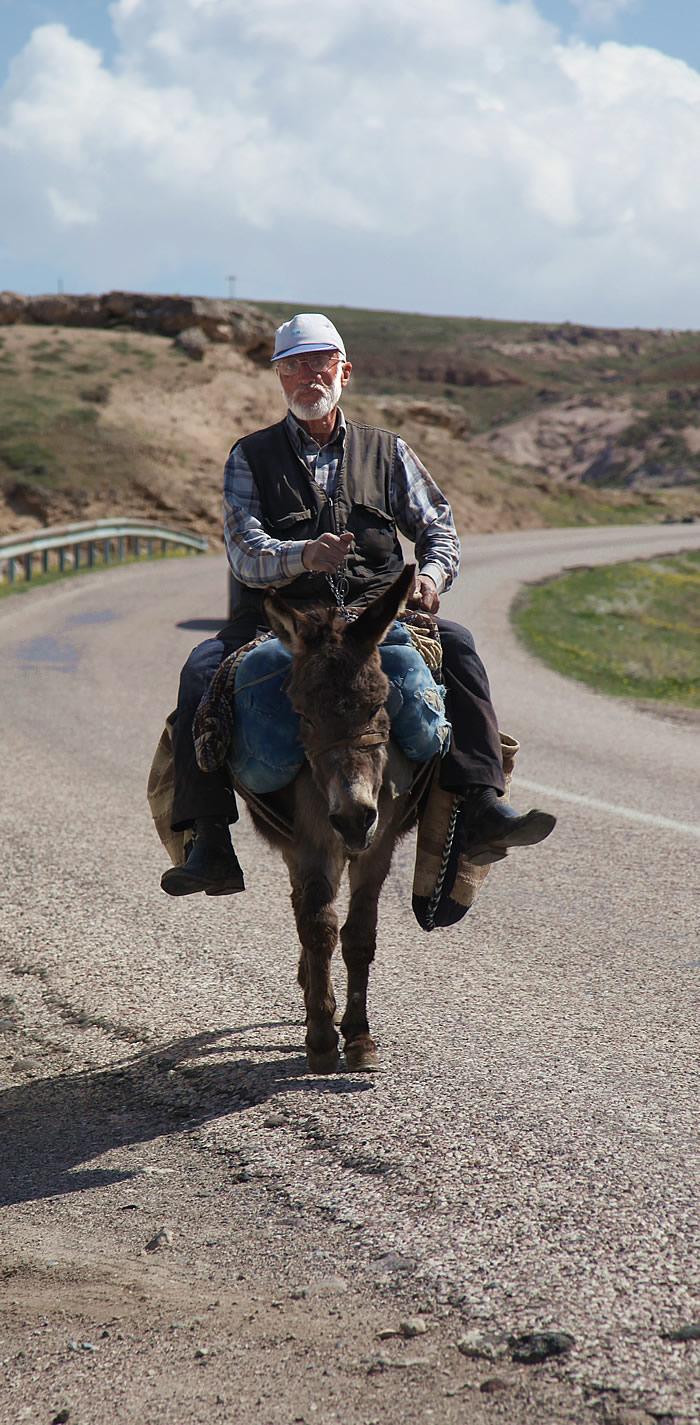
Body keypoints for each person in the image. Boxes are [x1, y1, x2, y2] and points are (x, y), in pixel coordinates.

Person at [160, 313, 555, 898]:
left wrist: (434, 577)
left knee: (463, 646)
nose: (305, 378)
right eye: (290, 367)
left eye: (317, 364)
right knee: (199, 671)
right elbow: (245, 552)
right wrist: (303, 556)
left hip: (376, 618)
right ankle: (211, 842)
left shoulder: (388, 452)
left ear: (344, 371)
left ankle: (479, 807)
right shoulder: (249, 457)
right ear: (278, 378)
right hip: (284, 624)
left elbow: (438, 529)